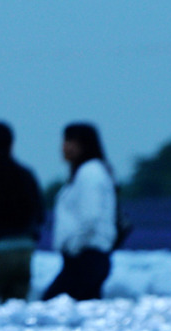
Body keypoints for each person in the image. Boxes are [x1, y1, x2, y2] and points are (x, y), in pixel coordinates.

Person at [0, 121, 46, 303]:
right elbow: (40, 214)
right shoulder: (26, 174)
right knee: (16, 309)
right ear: (12, 142)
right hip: (24, 251)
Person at [42, 122, 117, 301]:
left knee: (52, 305)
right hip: (84, 258)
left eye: (70, 141)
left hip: (86, 257)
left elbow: (91, 217)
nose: (64, 147)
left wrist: (74, 246)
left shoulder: (90, 173)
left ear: (84, 145)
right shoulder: (87, 173)